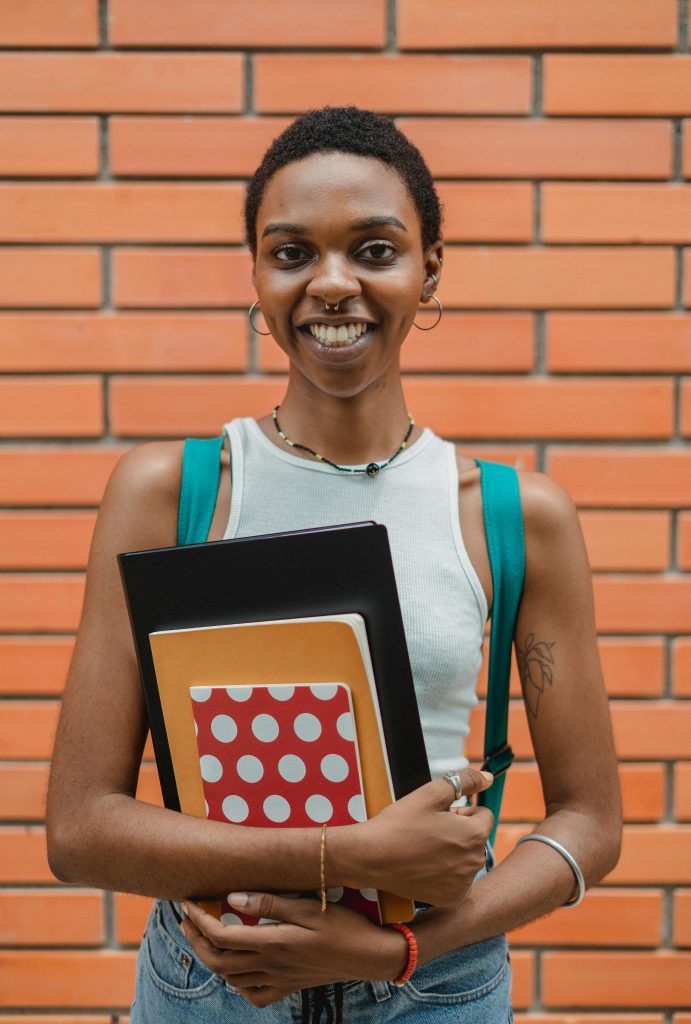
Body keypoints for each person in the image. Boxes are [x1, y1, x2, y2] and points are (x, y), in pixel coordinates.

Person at [46, 106, 622, 1022]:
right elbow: (79, 831)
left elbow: (590, 822)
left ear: (430, 269)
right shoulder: (174, 495)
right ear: (258, 279)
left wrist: (400, 949)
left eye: (374, 249)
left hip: (436, 986)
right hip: (215, 981)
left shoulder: (516, 518)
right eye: (291, 254)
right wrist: (344, 854)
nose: (331, 283)